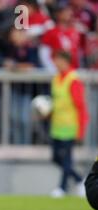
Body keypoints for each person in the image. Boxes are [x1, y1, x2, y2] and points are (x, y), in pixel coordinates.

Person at [49, 51, 89, 198]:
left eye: (57, 60)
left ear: (65, 61)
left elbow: (81, 106)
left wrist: (81, 128)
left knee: (66, 159)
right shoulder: (56, 78)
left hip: (70, 125)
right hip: (57, 124)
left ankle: (62, 188)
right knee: (55, 157)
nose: (55, 63)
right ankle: (79, 179)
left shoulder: (73, 80)